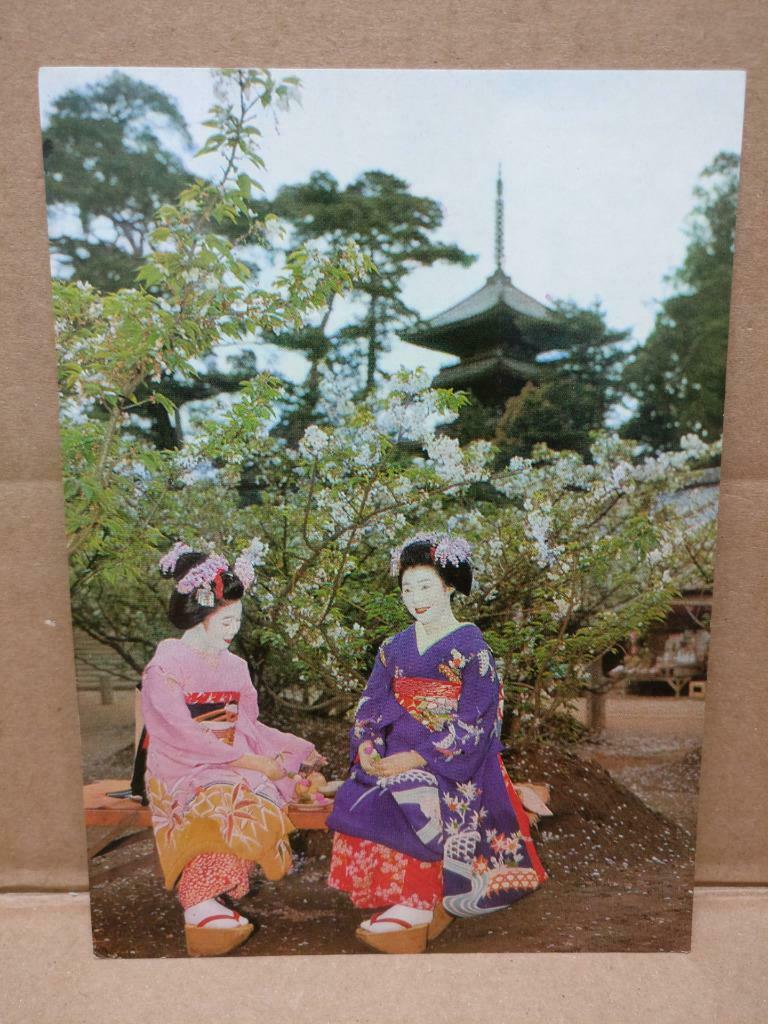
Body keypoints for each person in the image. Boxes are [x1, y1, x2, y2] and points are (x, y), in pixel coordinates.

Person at [327, 533, 547, 954]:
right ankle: (395, 896)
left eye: (425, 586)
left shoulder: (471, 648)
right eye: (407, 589)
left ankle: (417, 904)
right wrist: (369, 747)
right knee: (362, 793)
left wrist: (420, 756)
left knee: (417, 797)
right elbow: (371, 705)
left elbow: (475, 723)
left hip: (455, 760)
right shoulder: (394, 648)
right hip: (396, 753)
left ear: (448, 586)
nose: (415, 598)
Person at [138, 540, 325, 957]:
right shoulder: (164, 666)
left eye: (237, 620)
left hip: (229, 758)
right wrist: (245, 760)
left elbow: (247, 724)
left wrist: (289, 750)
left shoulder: (235, 666)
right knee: (228, 798)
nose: (233, 630)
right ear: (200, 614)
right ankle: (200, 902)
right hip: (180, 764)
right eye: (225, 621)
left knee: (250, 791)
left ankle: (207, 905)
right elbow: (178, 734)